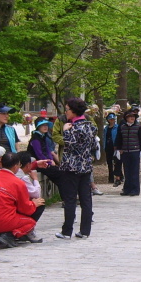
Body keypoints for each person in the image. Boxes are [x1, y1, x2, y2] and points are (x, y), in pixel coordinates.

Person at [0, 152, 44, 249]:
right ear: (16, 166)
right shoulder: (18, 182)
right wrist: (33, 204)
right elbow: (25, 209)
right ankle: (9, 236)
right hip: (3, 222)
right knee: (30, 222)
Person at [56, 97, 98, 239]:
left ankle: (66, 231)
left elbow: (69, 144)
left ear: (73, 111)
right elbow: (93, 146)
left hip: (72, 167)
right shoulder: (91, 126)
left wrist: (65, 130)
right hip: (86, 166)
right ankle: (85, 231)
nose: (66, 112)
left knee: (70, 199)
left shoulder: (73, 127)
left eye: (67, 109)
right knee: (86, 199)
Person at [114, 107, 141, 196]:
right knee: (127, 171)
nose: (132, 118)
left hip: (135, 151)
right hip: (125, 152)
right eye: (130, 116)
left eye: (133, 117)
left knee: (134, 171)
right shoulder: (122, 127)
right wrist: (118, 149)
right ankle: (127, 189)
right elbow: (119, 139)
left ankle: (135, 190)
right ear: (126, 118)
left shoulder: (138, 127)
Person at [103, 113, 123, 187]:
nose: (112, 121)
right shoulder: (106, 128)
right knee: (109, 162)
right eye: (110, 119)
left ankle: (120, 176)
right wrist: (104, 146)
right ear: (108, 120)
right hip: (108, 147)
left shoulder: (117, 127)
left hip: (115, 147)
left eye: (113, 119)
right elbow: (104, 137)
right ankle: (110, 177)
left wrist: (118, 146)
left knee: (117, 162)